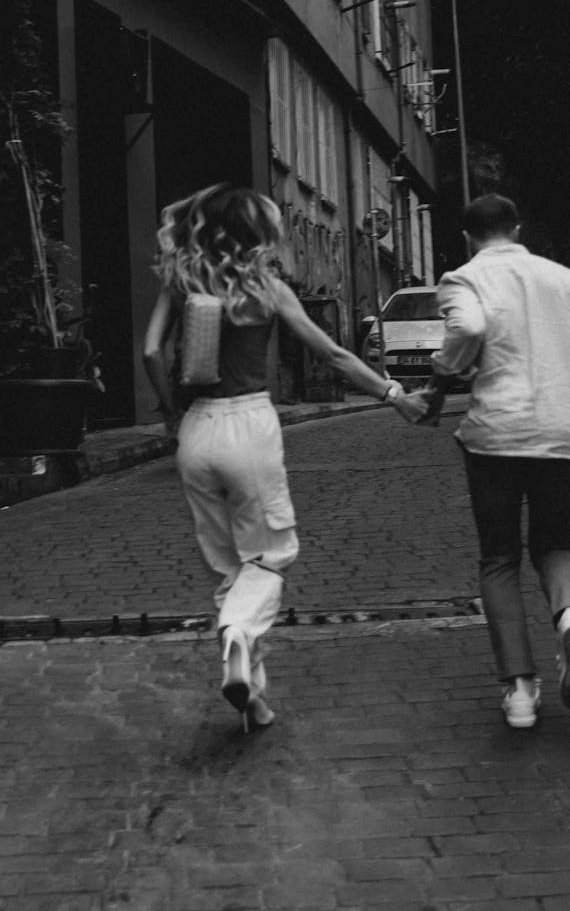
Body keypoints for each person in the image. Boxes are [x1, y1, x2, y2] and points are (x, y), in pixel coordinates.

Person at [143, 183, 425, 728]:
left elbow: (152, 348)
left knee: (230, 568)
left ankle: (253, 693)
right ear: (255, 234)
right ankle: (239, 638)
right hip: (249, 425)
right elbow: (334, 355)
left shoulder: (180, 282)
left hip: (196, 431)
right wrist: (393, 396)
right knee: (269, 557)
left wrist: (169, 414)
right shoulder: (265, 289)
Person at [415, 193, 570, 729]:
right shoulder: (567, 280)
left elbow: (468, 330)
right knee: (555, 546)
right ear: (518, 228)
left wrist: (438, 384)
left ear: (467, 235)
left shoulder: (462, 278)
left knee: (499, 558)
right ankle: (569, 616)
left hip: (495, 436)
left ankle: (520, 690)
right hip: (560, 435)